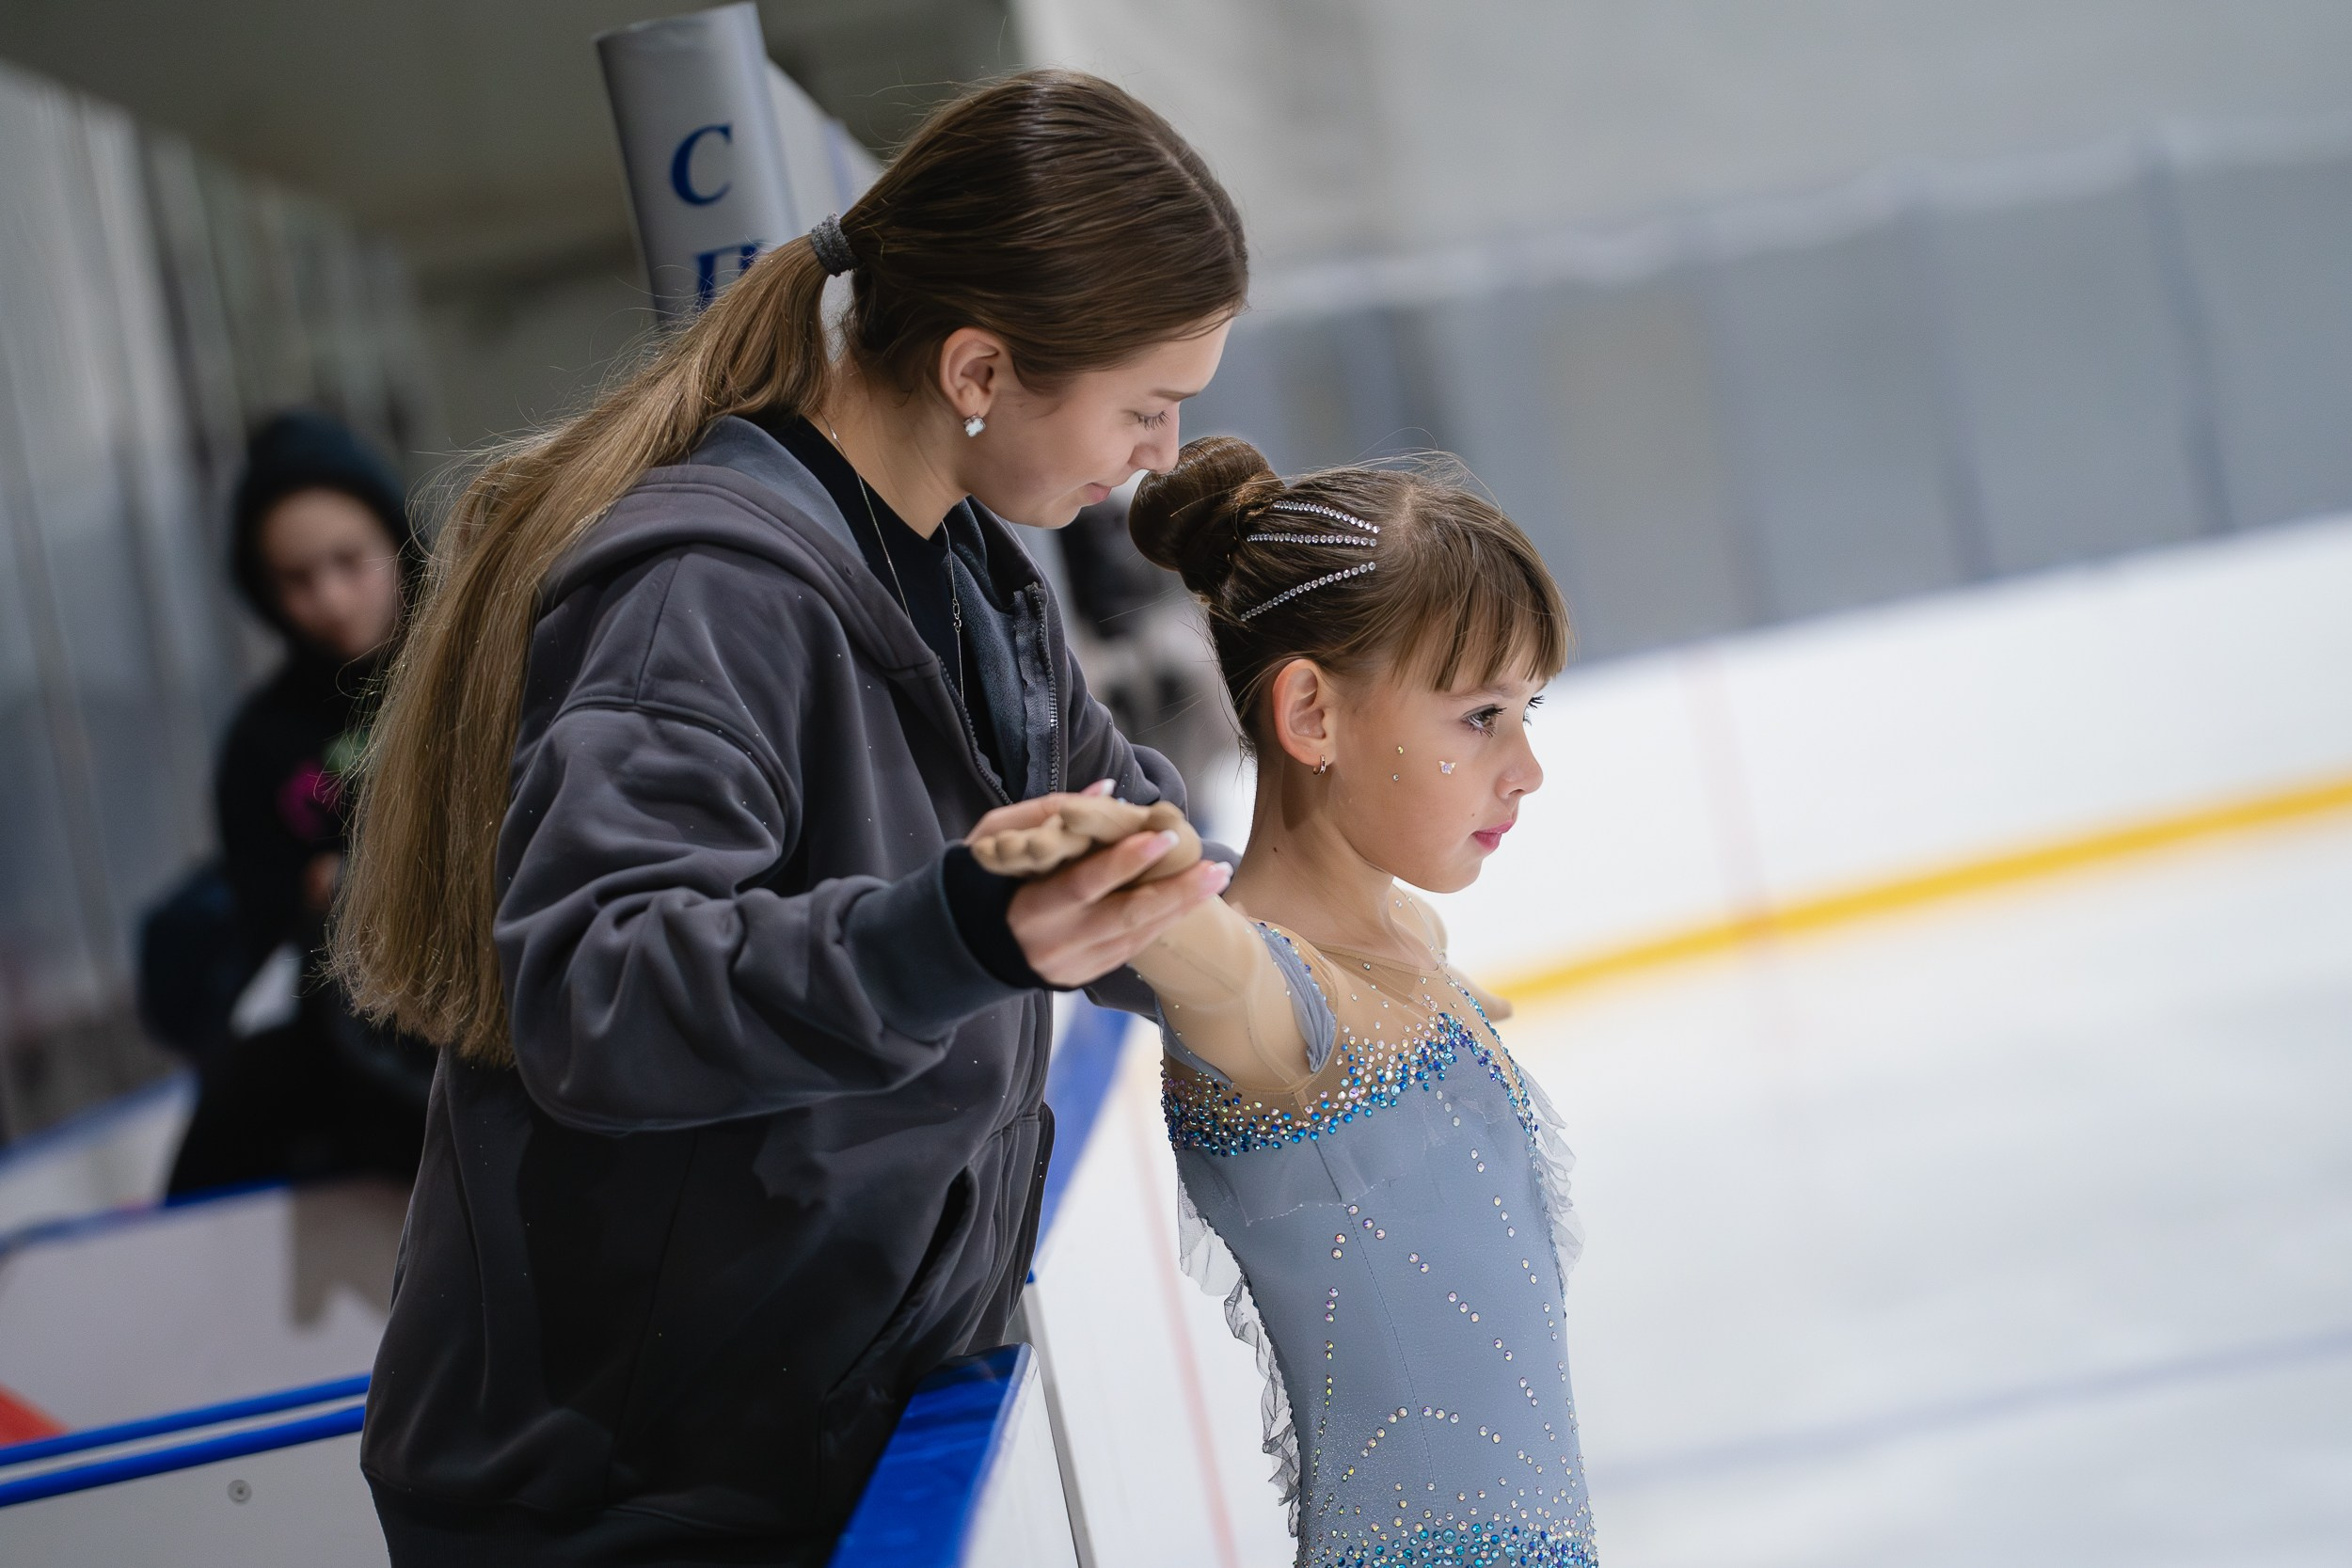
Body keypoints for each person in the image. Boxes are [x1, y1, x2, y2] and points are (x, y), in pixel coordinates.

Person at [333, 71, 1247, 1564]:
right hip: (622, 1497)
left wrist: (1323, 972)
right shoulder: (711, 590)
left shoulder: (980, 583)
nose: (1162, 450)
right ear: (979, 365)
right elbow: (599, 986)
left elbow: (1141, 859)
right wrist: (952, 932)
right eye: (1147, 406)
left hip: (799, 1438)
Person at [975, 436, 1596, 1566]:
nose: (1526, 769)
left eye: (1528, 710)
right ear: (1311, 713)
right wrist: (1125, 859)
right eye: (1479, 715)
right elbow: (1208, 950)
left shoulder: (1410, 937)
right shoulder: (1275, 1008)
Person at [166, 411, 431, 1196]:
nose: (332, 598)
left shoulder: (476, 669)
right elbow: (265, 913)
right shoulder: (263, 742)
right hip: (366, 1032)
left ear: (396, 541)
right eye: (296, 579)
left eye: (350, 561)